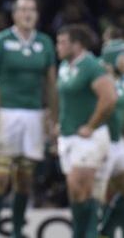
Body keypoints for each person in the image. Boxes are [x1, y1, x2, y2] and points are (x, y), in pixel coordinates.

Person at [0, 0, 57, 238]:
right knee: (0, 175)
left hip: (35, 114)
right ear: (14, 14)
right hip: (6, 112)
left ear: (37, 15)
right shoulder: (1, 40)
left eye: (32, 10)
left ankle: (16, 231)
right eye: (23, 10)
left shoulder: (45, 42)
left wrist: (53, 117)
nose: (28, 14)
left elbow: (51, 83)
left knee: (25, 178)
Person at [56, 24, 117, 237]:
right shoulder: (65, 67)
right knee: (75, 191)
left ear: (77, 44)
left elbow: (109, 97)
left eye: (63, 42)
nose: (58, 47)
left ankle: (88, 233)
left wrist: (91, 125)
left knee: (82, 187)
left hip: (88, 139)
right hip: (68, 135)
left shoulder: (91, 65)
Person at [99, 26, 124, 237]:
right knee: (104, 193)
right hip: (107, 142)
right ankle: (103, 231)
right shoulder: (103, 82)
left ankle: (105, 231)